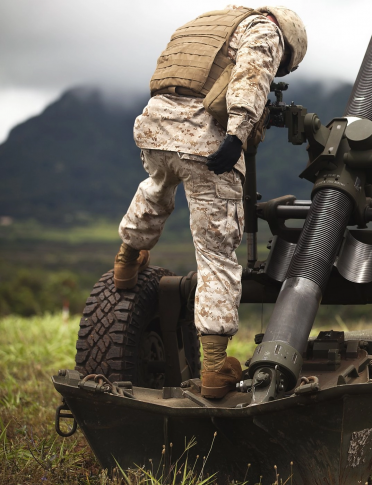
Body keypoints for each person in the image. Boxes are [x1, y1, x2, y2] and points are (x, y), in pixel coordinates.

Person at [113, 5, 307, 398]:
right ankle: (215, 370)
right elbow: (251, 76)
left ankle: (126, 262)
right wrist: (237, 133)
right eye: (284, 65)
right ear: (288, 43)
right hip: (204, 142)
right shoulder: (265, 30)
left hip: (154, 126)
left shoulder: (206, 24)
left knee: (156, 187)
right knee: (216, 253)